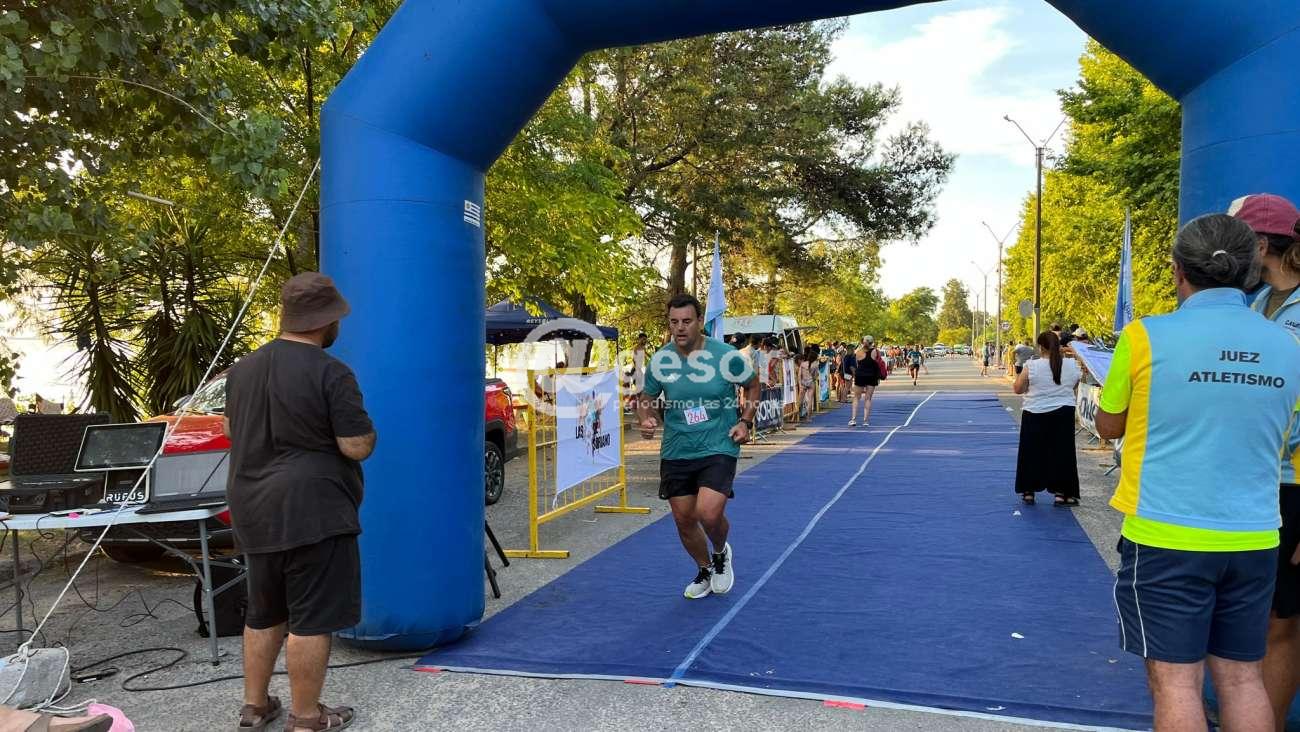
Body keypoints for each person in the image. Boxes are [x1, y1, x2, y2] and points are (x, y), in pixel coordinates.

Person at [1095, 214, 1300, 732]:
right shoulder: (1288, 346)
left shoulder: (1145, 336)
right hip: (1255, 534)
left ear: (1177, 271)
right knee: (1243, 680)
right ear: (1250, 268)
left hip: (1165, 533)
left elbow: (1108, 424)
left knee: (1176, 684)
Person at [223, 272, 376, 732]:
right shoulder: (332, 372)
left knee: (263, 611)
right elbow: (355, 446)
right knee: (311, 618)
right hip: (314, 510)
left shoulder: (242, 370)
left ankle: (254, 706)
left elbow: (231, 430)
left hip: (252, 507)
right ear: (327, 320)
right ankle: (307, 716)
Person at [638, 294, 759, 599]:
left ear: (700, 321)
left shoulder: (725, 355)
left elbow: (752, 384)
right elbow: (646, 397)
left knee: (708, 513)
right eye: (674, 322)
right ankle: (704, 568)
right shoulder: (661, 360)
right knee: (683, 519)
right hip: (677, 448)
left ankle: (720, 553)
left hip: (719, 443)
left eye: (687, 321)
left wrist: (745, 421)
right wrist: (646, 418)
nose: (680, 328)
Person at [1231, 193, 1300, 728]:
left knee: (1282, 624)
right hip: (1254, 481)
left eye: (1238, 243)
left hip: (1294, 484)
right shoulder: (1256, 305)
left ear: (1259, 245)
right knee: (1252, 621)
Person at [1012, 331, 1082, 505]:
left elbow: (1018, 389)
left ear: (1040, 347)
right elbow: (1074, 385)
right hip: (1064, 412)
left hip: (1034, 412)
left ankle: (1028, 491)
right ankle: (1062, 494)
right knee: (1063, 453)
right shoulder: (1071, 364)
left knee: (1031, 452)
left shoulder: (1032, 365)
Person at [849, 337, 881, 426]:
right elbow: (877, 363)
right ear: (872, 342)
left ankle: (853, 419)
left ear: (862, 342)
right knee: (868, 398)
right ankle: (865, 421)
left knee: (856, 397)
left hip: (860, 375)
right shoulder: (874, 351)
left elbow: (856, 365)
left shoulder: (858, 352)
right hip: (871, 376)